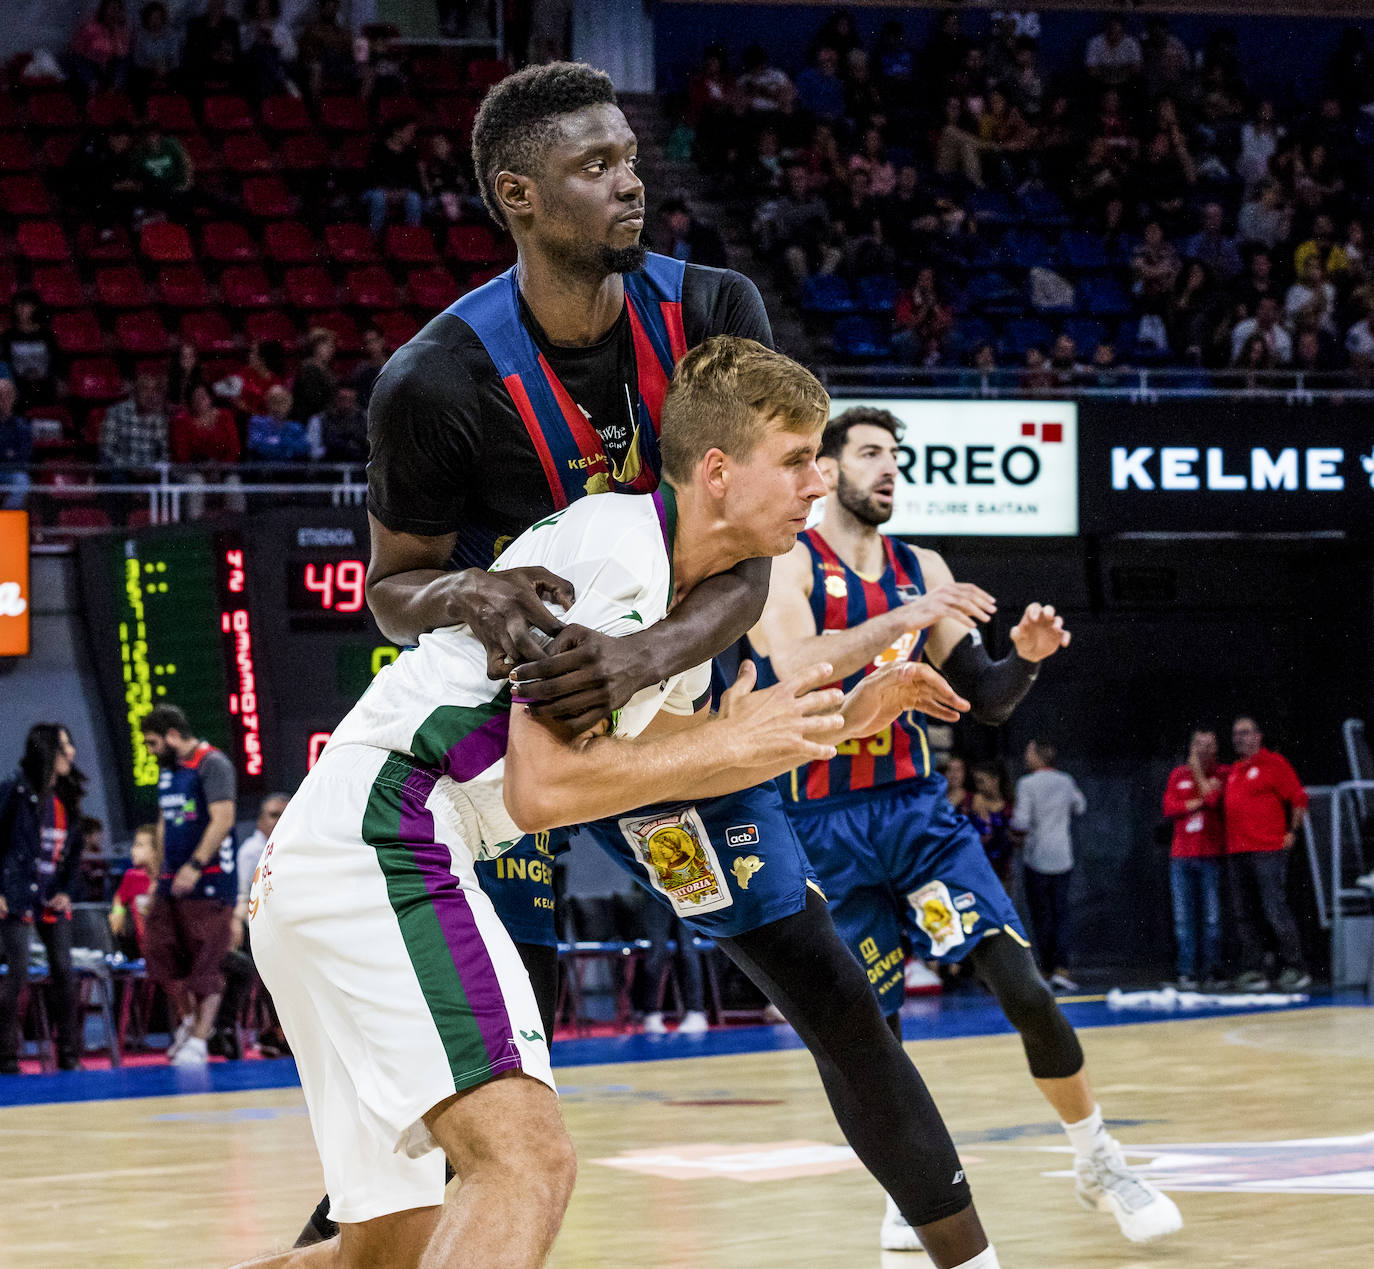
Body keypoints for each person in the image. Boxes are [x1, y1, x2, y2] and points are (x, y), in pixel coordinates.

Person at [296, 63, 1002, 1268]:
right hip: (515, 732)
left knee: (825, 987)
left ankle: (969, 1256)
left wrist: (637, 661)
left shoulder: (715, 308)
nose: (633, 184)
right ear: (518, 194)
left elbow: (751, 559)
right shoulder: (435, 379)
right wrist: (468, 589)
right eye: (596, 168)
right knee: (474, 1072)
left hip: (660, 701)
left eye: (630, 158)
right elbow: (392, 586)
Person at [749, 406, 1181, 1251]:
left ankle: (1099, 1156)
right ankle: (910, 1188)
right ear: (828, 469)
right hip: (821, 823)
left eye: (896, 458)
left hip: (913, 812)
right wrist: (907, 619)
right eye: (870, 453)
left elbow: (983, 699)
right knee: (869, 1035)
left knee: (1021, 984)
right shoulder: (789, 564)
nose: (888, 469)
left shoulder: (924, 567)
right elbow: (806, 669)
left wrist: (1023, 657)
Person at [140, 704, 238, 1068]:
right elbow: (165, 821)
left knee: (206, 963)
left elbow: (223, 818)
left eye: (153, 743)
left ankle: (200, 1038)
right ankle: (186, 1021)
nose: (150, 751)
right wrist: (159, 875)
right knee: (160, 954)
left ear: (172, 735)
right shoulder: (168, 772)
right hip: (171, 881)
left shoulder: (212, 763)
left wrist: (195, 865)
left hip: (209, 881)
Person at [0, 724, 86, 1073]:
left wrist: (67, 889)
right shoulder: (14, 790)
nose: (71, 753)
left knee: (65, 971)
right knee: (17, 972)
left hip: (51, 896)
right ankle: (5, 1055)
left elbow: (74, 851)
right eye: (65, 745)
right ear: (48, 750)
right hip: (16, 894)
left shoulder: (67, 795)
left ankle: (69, 1053)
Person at [1225, 717, 1311, 991]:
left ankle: (1295, 968)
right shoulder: (1235, 769)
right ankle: (1255, 971)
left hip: (1267, 850)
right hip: (1238, 852)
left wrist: (1292, 832)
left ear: (1259, 736)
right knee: (1244, 915)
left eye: (1246, 732)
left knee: (1274, 909)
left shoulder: (1274, 763)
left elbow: (1298, 799)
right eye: (1236, 734)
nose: (1240, 738)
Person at [1014, 738, 1086, 992]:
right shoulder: (1065, 781)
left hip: (1037, 858)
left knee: (1041, 914)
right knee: (1061, 913)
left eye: (1029, 751)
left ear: (1037, 755)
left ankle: (1046, 968)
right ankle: (1062, 969)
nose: (1025, 756)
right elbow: (1080, 805)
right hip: (1062, 857)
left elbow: (1021, 821)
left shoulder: (1027, 784)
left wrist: (1016, 833)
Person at [1162, 728, 1227, 990]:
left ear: (1216, 749)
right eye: (1198, 744)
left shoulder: (1222, 773)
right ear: (1191, 747)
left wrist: (1200, 778)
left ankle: (1213, 970)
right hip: (1181, 856)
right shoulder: (1177, 775)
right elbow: (1170, 808)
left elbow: (1214, 801)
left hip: (1209, 854)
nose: (1203, 749)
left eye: (1208, 745)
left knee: (1211, 918)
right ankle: (1186, 971)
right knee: (1183, 918)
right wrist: (1198, 800)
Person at [363, 119, 424, 236]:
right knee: (378, 198)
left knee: (414, 198)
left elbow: (413, 181)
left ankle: (413, 237)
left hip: (401, 192)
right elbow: (371, 177)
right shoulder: (378, 150)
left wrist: (401, 192)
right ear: (397, 132)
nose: (412, 136)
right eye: (409, 132)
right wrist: (386, 192)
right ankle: (375, 237)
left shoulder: (411, 154)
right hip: (376, 191)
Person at [109, 823, 160, 959]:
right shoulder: (132, 876)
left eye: (139, 845)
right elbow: (119, 897)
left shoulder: (169, 879)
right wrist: (118, 912)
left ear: (156, 850)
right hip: (143, 951)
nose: (133, 850)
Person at [101, 371, 169, 469]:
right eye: (145, 389)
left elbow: (164, 454)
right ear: (135, 393)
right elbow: (107, 452)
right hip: (123, 471)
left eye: (153, 390)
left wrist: (154, 469)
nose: (149, 394)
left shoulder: (159, 418)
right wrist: (130, 468)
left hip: (150, 474)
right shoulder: (116, 413)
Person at [247, 385, 310, 461]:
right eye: (274, 401)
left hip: (290, 470)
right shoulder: (257, 423)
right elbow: (256, 445)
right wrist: (287, 448)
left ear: (290, 404)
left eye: (283, 401)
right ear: (267, 403)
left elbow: (304, 448)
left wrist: (276, 442)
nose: (278, 406)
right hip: (263, 470)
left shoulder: (296, 427)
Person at [307, 384, 368, 463]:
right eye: (342, 399)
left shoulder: (366, 419)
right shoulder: (319, 420)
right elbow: (313, 450)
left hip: (359, 468)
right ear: (334, 399)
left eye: (350, 400)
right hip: (328, 467)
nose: (346, 405)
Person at [292, 329, 338, 426]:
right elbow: (312, 398)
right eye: (327, 346)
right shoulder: (308, 368)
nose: (331, 350)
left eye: (332, 346)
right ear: (316, 347)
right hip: (310, 418)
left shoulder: (327, 369)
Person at [0, 379, 32, 510]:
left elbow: (24, 458)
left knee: (22, 481)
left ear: (13, 398)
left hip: (12, 473)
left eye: (6, 395)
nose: (2, 400)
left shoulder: (21, 426)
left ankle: (5, 519)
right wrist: (8, 454)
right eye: (0, 396)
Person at [348, 327, 390, 409]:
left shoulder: (392, 364)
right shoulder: (361, 369)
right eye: (367, 343)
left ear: (382, 341)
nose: (372, 346)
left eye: (374, 341)